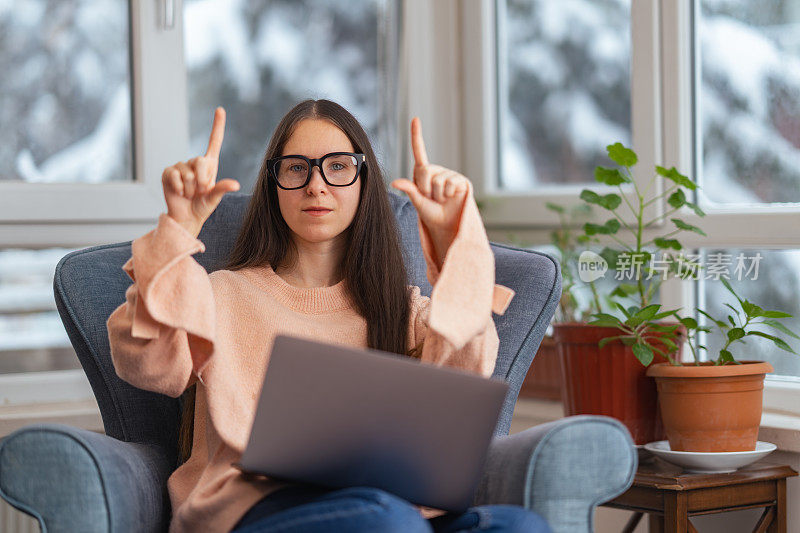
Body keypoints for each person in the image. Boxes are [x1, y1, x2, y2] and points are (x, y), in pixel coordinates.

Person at [106, 99, 551, 533]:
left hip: (385, 506)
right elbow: (144, 363)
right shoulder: (220, 293)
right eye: (297, 167)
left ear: (363, 181)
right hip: (257, 510)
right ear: (273, 183)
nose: (316, 185)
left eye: (337, 166)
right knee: (387, 520)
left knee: (522, 525)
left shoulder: (404, 311)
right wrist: (178, 229)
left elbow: (471, 373)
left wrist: (455, 244)